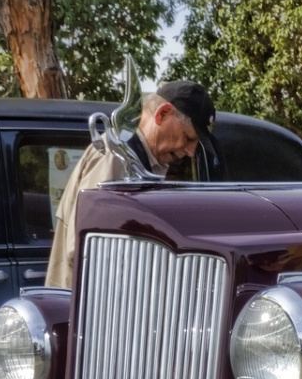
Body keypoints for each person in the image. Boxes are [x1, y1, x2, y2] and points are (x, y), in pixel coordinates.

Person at [45, 80, 219, 288]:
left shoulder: (142, 159)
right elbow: (88, 249)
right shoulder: (117, 156)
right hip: (90, 305)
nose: (191, 152)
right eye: (188, 138)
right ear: (162, 114)